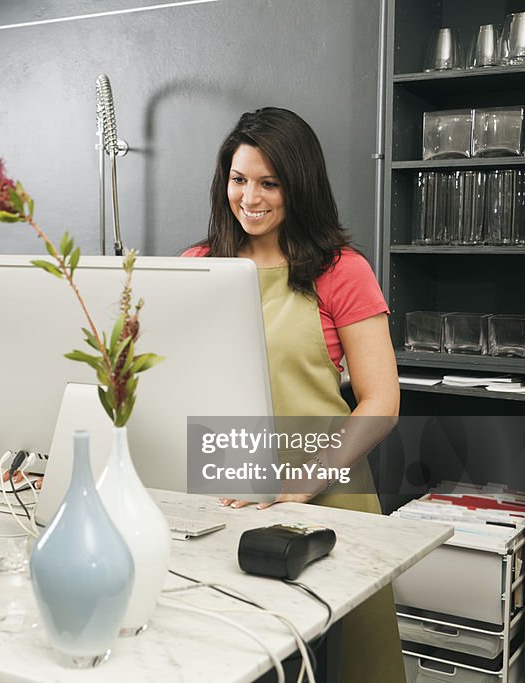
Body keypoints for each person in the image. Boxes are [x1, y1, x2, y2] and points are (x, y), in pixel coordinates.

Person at [184, 107, 403, 682]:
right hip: (228, 495)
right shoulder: (196, 266)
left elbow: (381, 400)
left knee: (350, 665)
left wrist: (304, 479)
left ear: (298, 186)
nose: (250, 196)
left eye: (269, 182)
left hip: (330, 495)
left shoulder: (341, 271)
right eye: (239, 179)